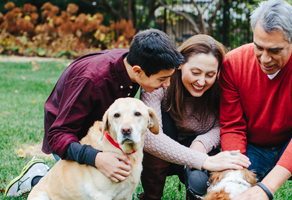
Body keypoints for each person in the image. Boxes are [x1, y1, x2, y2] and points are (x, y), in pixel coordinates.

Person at [5, 29, 185, 197]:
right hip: (70, 138)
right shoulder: (91, 80)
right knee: (83, 185)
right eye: (162, 79)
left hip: (101, 135)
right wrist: (96, 158)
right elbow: (57, 136)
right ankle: (37, 177)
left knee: (117, 178)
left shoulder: (135, 61)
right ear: (138, 71)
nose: (167, 84)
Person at [219, 0, 292, 200]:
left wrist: (266, 188)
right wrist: (235, 175)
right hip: (252, 149)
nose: (264, 59)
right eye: (259, 47)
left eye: (274, 50)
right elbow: (232, 126)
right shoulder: (233, 63)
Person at [138, 34, 250, 200]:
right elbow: (150, 137)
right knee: (156, 144)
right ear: (180, 64)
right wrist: (198, 158)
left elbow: (228, 124)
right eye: (195, 72)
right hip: (163, 144)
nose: (201, 81)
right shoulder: (161, 81)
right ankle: (151, 196)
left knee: (199, 181)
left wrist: (202, 143)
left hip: (202, 146)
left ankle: (195, 193)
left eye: (210, 74)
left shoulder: (223, 85)